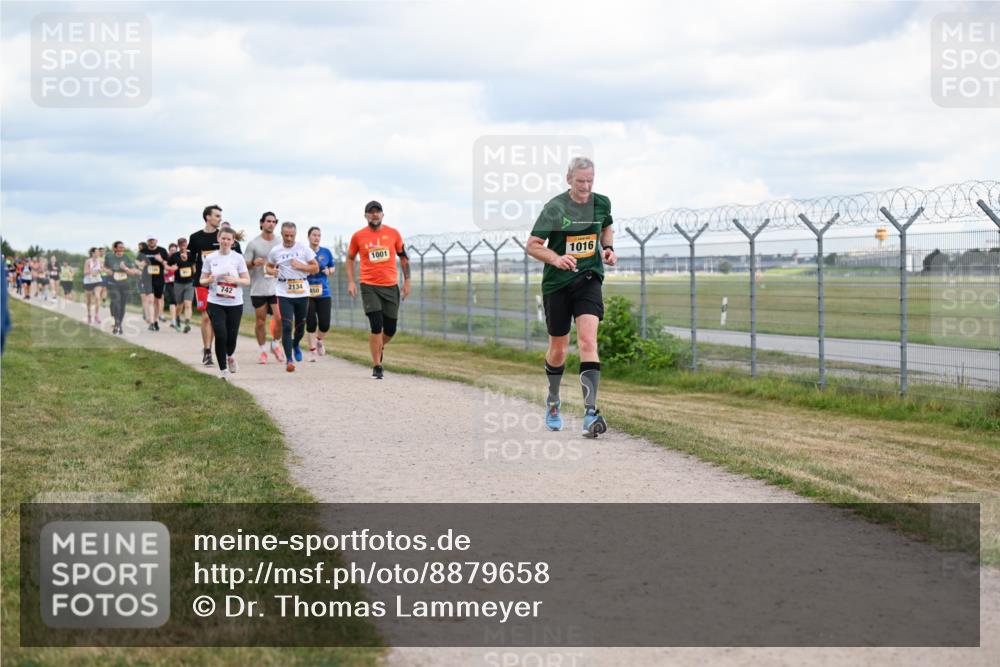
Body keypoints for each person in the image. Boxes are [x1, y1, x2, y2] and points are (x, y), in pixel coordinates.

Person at [526, 157, 616, 438]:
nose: (585, 186)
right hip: (558, 284)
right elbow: (533, 245)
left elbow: (606, 226)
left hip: (589, 279)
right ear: (568, 179)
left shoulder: (602, 203)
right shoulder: (555, 208)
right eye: (580, 181)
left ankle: (590, 413)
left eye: (590, 181)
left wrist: (608, 248)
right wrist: (556, 258)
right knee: (559, 350)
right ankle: (553, 401)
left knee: (588, 341)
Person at [345, 200, 410, 379]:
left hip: (390, 286)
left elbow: (404, 258)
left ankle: (379, 346)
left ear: (382, 214)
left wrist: (407, 281)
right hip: (369, 285)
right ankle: (377, 365)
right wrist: (351, 281)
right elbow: (350, 258)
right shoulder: (358, 236)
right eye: (371, 212)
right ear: (365, 216)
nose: (374, 214)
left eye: (377, 211)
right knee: (376, 325)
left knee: (390, 329)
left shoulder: (393, 233)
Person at [189, 205, 241, 366]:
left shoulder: (224, 237)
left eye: (220, 216)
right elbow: (191, 261)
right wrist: (201, 277)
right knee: (206, 316)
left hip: (224, 283)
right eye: (217, 216)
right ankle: (207, 351)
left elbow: (237, 258)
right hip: (204, 282)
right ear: (207, 217)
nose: (220, 219)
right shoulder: (195, 237)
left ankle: (222, 348)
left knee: (218, 320)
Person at [265, 222, 318, 372]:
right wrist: (272, 271)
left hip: (302, 292)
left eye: (292, 236)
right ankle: (289, 360)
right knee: (287, 325)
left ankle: (295, 344)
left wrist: (301, 266)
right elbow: (268, 267)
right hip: (284, 292)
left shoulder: (303, 249)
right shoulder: (276, 250)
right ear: (281, 234)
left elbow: (315, 268)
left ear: (295, 235)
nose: (289, 238)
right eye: (286, 235)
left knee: (300, 327)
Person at [200, 227, 250, 380]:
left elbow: (247, 281)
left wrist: (235, 280)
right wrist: (209, 280)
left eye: (229, 239)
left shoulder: (238, 258)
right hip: (215, 302)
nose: (226, 241)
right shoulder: (210, 258)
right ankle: (223, 370)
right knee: (221, 335)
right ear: (218, 238)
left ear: (233, 241)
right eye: (223, 238)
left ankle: (231, 356)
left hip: (235, 303)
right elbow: (201, 280)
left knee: (231, 336)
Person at [243, 211, 284, 364]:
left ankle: (275, 344)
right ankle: (263, 351)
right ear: (261, 223)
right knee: (260, 321)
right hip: (259, 288)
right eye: (268, 221)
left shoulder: (280, 242)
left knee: (280, 318)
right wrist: (254, 263)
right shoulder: (253, 244)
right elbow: (244, 265)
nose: (271, 224)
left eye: (274, 221)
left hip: (276, 287)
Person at [305, 226, 336, 361]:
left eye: (318, 235)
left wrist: (329, 271)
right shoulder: (303, 252)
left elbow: (332, 266)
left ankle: (319, 340)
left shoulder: (326, 252)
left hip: (324, 292)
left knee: (325, 324)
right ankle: (312, 351)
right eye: (314, 235)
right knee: (311, 323)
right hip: (307, 293)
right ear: (308, 237)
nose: (316, 238)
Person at [104, 241, 142, 334]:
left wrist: (125, 268)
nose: (122, 249)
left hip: (125, 284)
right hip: (113, 283)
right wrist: (107, 271)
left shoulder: (127, 258)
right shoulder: (109, 257)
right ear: (115, 248)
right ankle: (117, 323)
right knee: (116, 302)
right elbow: (104, 267)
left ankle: (119, 325)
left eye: (123, 247)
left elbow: (133, 272)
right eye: (120, 247)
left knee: (122, 305)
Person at [138, 234, 169, 331]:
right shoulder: (143, 251)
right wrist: (141, 264)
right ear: (147, 241)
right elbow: (138, 263)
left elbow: (167, 265)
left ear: (156, 241)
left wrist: (161, 260)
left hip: (159, 280)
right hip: (147, 279)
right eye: (150, 240)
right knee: (150, 300)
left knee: (157, 301)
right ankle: (151, 322)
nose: (151, 242)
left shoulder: (162, 250)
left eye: (153, 240)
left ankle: (155, 320)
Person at [167, 237, 196, 333]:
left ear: (187, 244)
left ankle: (187, 323)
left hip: (190, 283)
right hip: (178, 283)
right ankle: (177, 318)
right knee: (179, 305)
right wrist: (172, 268)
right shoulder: (174, 256)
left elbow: (194, 265)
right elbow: (168, 265)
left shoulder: (191, 254)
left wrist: (195, 274)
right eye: (181, 245)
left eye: (184, 245)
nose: (183, 247)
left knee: (188, 304)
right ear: (178, 246)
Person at [83, 248, 103, 324]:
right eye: (97, 252)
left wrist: (100, 270)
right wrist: (91, 271)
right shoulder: (88, 261)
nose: (98, 253)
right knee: (89, 301)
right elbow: (85, 272)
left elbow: (101, 270)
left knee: (98, 297)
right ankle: (89, 315)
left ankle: (96, 316)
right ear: (93, 253)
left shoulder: (100, 261)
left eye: (99, 252)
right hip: (88, 282)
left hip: (97, 281)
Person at [163, 242, 178, 329]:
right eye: (171, 250)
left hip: (179, 282)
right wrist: (170, 268)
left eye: (174, 250)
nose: (173, 252)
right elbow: (164, 269)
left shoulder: (179, 258)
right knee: (173, 300)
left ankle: (176, 318)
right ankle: (173, 320)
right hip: (169, 282)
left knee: (178, 301)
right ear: (169, 251)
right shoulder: (166, 259)